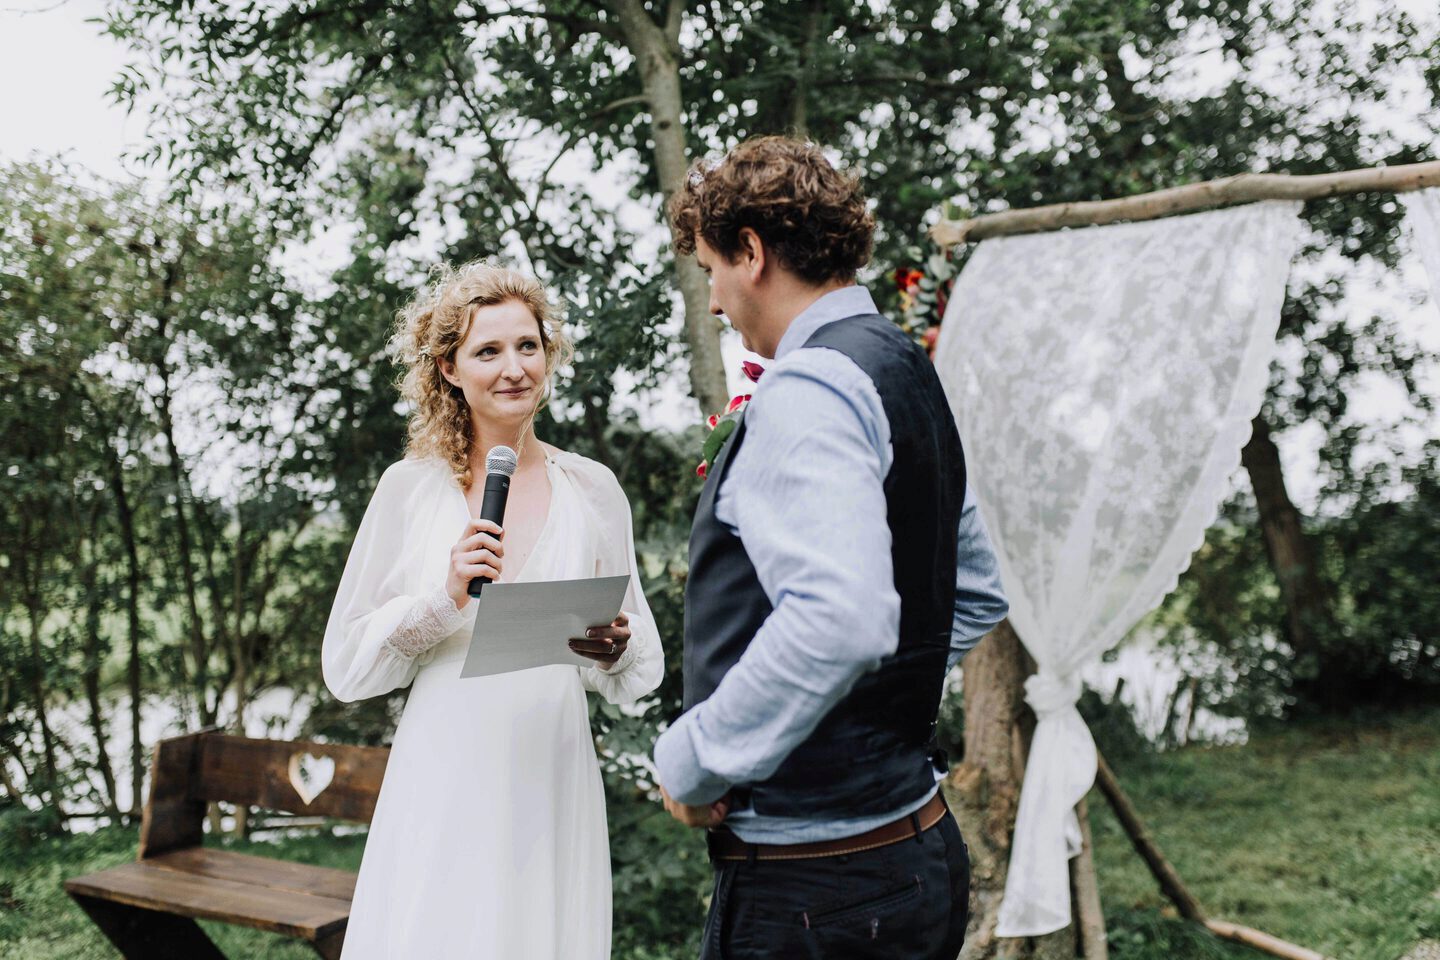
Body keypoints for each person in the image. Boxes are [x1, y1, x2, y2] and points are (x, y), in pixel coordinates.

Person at [654, 137, 1009, 959]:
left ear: (751, 253)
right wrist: (856, 702)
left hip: (817, 891)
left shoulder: (809, 389)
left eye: (710, 269)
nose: (711, 301)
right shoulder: (903, 367)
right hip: (914, 855)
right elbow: (978, 589)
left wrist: (697, 758)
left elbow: (842, 621)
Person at [323, 261, 663, 959]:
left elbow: (641, 665)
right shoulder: (409, 490)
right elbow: (347, 666)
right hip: (447, 759)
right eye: (488, 351)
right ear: (449, 368)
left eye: (528, 346)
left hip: (552, 760)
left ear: (548, 354)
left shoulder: (593, 489)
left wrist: (613, 645)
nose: (514, 367)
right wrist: (443, 597)